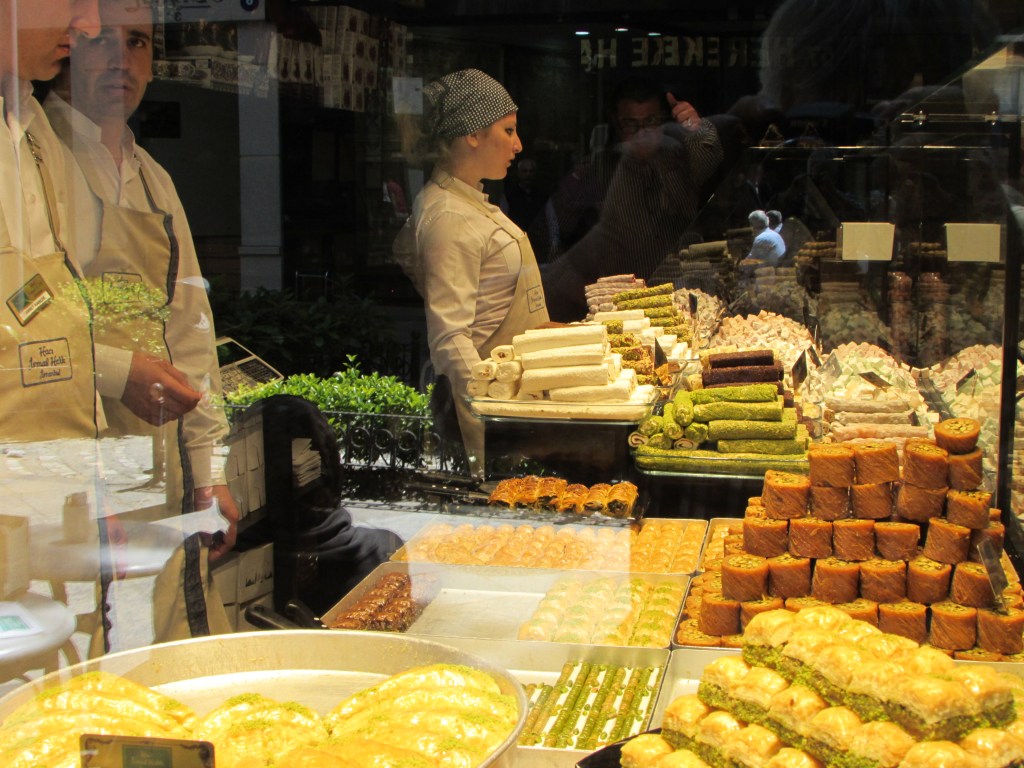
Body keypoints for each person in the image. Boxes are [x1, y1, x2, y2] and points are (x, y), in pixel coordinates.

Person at [44, 0, 237, 559]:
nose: (121, 61)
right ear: (66, 43)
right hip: (70, 464)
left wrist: (208, 470)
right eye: (101, 39)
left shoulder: (154, 178)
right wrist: (115, 370)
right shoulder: (33, 161)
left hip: (162, 459)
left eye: (138, 43)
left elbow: (190, 335)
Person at [392, 68, 549, 472]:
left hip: (518, 404)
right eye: (509, 130)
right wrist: (488, 426)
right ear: (473, 134)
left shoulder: (467, 203)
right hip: (498, 418)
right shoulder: (448, 215)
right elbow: (450, 339)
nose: (519, 144)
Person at [0, 0, 102, 439]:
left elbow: (64, 319)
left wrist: (94, 474)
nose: (91, 24)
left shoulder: (33, 124)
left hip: (56, 476)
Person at [542, 75, 723, 321]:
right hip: (619, 299)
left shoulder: (681, 158)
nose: (642, 133)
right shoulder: (599, 169)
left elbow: (711, 160)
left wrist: (696, 129)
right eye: (631, 124)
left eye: (650, 122)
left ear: (662, 121)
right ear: (617, 126)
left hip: (679, 290)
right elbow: (560, 230)